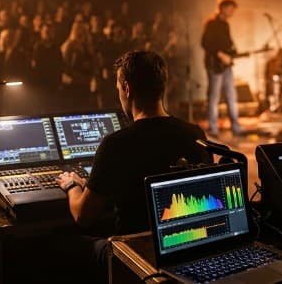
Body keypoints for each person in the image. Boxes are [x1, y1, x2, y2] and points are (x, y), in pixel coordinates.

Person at [55, 51, 212, 279]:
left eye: (118, 88)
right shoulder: (195, 135)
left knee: (62, 244)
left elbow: (83, 216)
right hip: (186, 248)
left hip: (133, 255)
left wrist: (72, 185)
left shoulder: (116, 144)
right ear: (162, 87)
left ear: (127, 89)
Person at [201, 0, 242, 136]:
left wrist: (232, 52)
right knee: (214, 98)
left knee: (232, 96)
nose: (232, 12)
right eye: (231, 9)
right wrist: (221, 55)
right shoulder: (211, 23)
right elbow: (205, 43)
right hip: (215, 66)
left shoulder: (226, 25)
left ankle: (236, 127)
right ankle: (213, 128)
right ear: (223, 8)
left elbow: (228, 44)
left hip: (226, 67)